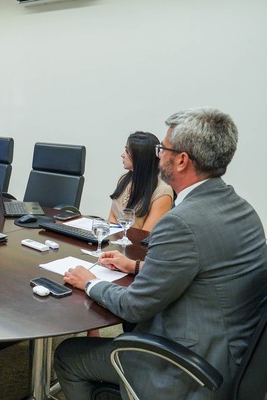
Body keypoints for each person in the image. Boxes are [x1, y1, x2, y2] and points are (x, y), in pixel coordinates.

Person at [55, 107, 267, 400]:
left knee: (69, 354)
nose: (158, 155)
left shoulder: (181, 222)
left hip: (190, 369)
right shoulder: (244, 209)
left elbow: (134, 307)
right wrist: (137, 267)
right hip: (235, 358)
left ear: (181, 160)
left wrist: (90, 282)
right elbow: (204, 271)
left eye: (163, 148)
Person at [109, 131, 173, 231]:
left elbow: (146, 234)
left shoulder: (163, 192)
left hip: (136, 245)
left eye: (127, 151)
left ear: (140, 157)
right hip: (116, 242)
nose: (122, 155)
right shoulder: (123, 179)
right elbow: (112, 217)